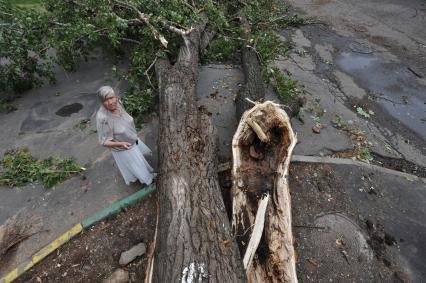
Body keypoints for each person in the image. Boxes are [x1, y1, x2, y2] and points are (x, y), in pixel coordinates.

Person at [96, 86, 155, 186]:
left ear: (116, 97)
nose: (110, 102)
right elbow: (103, 141)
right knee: (138, 167)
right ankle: (149, 182)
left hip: (132, 139)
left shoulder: (118, 104)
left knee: (139, 162)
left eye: (111, 98)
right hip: (124, 148)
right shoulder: (103, 118)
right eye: (106, 100)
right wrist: (121, 143)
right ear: (101, 102)